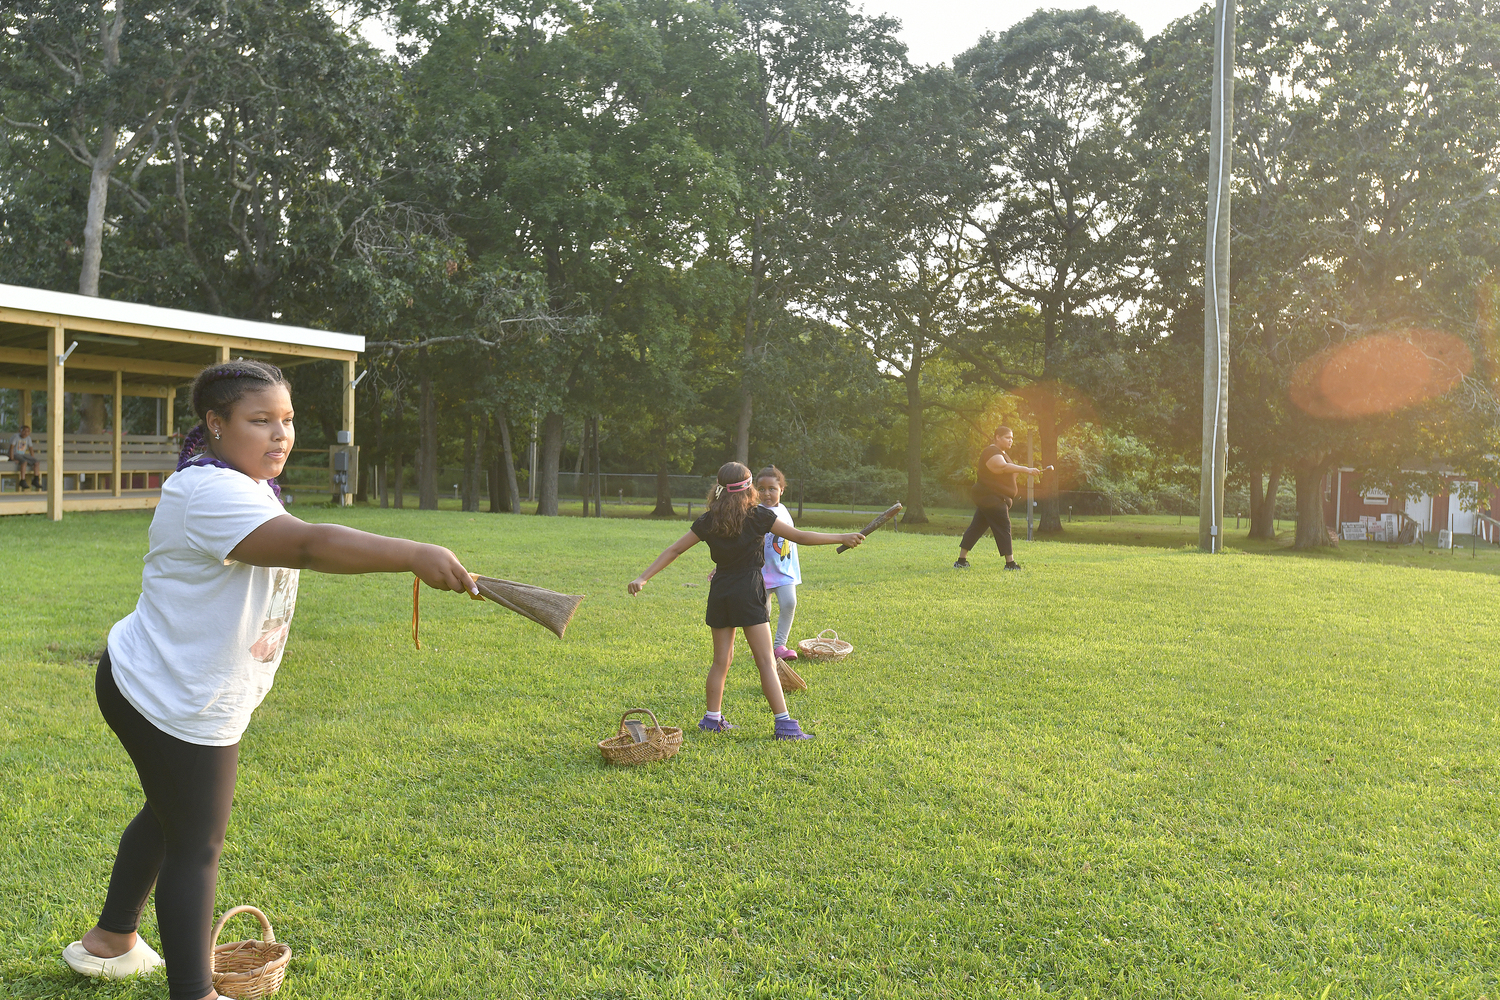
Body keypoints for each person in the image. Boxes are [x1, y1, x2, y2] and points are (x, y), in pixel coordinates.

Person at [63, 360, 476, 1000]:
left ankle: (111, 941)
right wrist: (412, 554)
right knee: (196, 845)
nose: (280, 434)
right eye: (260, 420)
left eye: (286, 420)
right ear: (216, 424)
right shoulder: (209, 491)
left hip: (169, 682)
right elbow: (308, 545)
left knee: (172, 813)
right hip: (170, 695)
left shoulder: (247, 485)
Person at [627, 461, 864, 740]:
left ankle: (712, 720)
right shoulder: (758, 516)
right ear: (749, 487)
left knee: (721, 661)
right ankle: (785, 725)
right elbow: (800, 537)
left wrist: (643, 578)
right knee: (765, 660)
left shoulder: (709, 519)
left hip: (721, 591)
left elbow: (675, 549)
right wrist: (842, 537)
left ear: (719, 488)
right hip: (749, 591)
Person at [954, 425, 1047, 571]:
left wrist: (1024, 472)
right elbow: (1002, 467)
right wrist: (1026, 469)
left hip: (992, 497)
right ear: (997, 437)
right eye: (1007, 437)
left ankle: (961, 561)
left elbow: (1008, 471)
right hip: (992, 497)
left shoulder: (1002, 453)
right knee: (1004, 526)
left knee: (977, 527)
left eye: (1012, 438)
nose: (1011, 441)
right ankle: (1010, 564)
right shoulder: (991, 451)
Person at [755, 466, 802, 661]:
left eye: (772, 488)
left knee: (789, 602)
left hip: (785, 570)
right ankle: (763, 649)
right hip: (760, 571)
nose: (766, 493)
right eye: (762, 488)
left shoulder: (783, 510)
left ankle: (779, 646)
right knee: (761, 611)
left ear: (782, 489)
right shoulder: (754, 512)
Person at [9, 424, 39, 491]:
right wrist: (12, 458)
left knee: (36, 462)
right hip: (15, 454)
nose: (26, 433)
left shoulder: (28, 438)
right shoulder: (16, 437)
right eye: (24, 431)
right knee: (24, 462)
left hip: (23, 454)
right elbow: (11, 448)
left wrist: (32, 459)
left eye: (28, 431)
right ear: (20, 431)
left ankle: (36, 479)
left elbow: (31, 449)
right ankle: (22, 480)